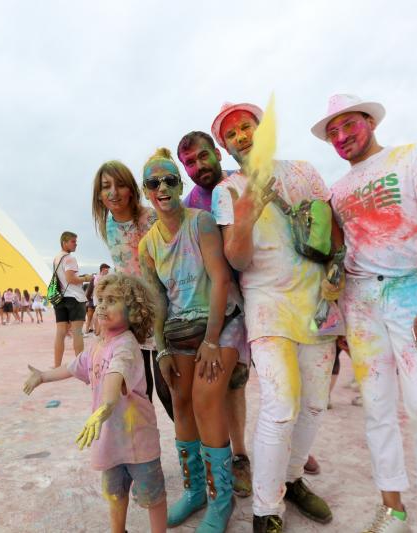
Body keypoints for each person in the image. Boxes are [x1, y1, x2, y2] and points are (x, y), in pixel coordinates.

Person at [312, 93, 417, 532]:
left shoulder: (415, 158)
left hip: (414, 293)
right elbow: (338, 254)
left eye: (349, 125)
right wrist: (340, 316)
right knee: (377, 409)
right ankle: (392, 506)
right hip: (360, 302)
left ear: (369, 122)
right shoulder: (336, 190)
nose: (341, 136)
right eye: (332, 132)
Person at [211, 102, 337, 532]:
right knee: (281, 405)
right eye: (231, 134)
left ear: (261, 130)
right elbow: (238, 260)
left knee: (315, 405)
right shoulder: (227, 191)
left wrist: (337, 278)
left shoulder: (303, 171)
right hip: (267, 306)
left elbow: (332, 230)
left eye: (247, 127)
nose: (241, 137)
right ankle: (267, 509)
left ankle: (291, 478)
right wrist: (246, 219)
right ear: (224, 146)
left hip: (317, 305)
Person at [138, 148, 248, 532]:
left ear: (179, 185)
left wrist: (214, 339)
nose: (163, 187)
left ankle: (222, 501)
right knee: (181, 404)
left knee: (205, 400)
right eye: (154, 182)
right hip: (179, 334)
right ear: (146, 191)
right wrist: (163, 349)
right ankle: (196, 492)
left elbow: (220, 279)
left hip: (223, 325)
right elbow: (158, 301)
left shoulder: (200, 223)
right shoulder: (148, 245)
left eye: (170, 180)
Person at [23, 273, 167, 533]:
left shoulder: (126, 346)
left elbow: (114, 378)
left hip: (138, 441)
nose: (101, 306)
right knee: (115, 493)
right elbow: (71, 368)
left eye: (111, 301)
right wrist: (43, 376)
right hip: (110, 440)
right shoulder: (99, 346)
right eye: (100, 299)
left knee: (152, 497)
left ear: (133, 311)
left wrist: (105, 407)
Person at [178, 130, 253, 498]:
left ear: (218, 153)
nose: (198, 166)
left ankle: (276, 454)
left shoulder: (238, 185)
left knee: (254, 383)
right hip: (215, 308)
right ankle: (233, 456)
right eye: (189, 162)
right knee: (225, 385)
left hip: (253, 295)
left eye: (203, 156)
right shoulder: (191, 201)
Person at [91, 160, 173, 420]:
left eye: (120, 185)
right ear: (99, 194)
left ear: (132, 190)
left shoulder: (150, 218)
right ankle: (144, 452)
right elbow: (122, 269)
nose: (113, 192)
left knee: (167, 389)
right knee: (139, 390)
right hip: (133, 318)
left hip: (162, 313)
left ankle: (193, 452)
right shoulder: (108, 226)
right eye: (106, 187)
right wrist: (101, 308)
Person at [52, 232, 92, 368]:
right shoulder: (69, 258)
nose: (76, 244)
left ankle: (57, 365)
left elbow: (64, 279)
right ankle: (80, 367)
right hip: (74, 298)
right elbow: (71, 279)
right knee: (77, 332)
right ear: (65, 242)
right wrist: (86, 278)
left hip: (60, 299)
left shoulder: (56, 258)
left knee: (60, 333)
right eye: (73, 241)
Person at [84, 263, 110, 334]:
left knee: (94, 314)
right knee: (97, 314)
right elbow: (91, 289)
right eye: (107, 270)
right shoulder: (99, 278)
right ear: (103, 269)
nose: (108, 272)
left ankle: (95, 330)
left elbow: (90, 289)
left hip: (95, 299)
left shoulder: (96, 277)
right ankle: (97, 331)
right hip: (99, 298)